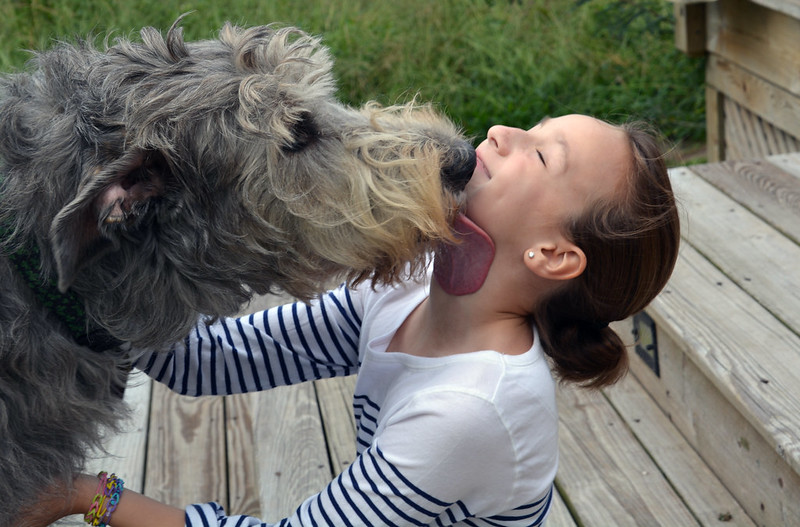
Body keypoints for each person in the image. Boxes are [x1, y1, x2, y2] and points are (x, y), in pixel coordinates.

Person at [21, 114, 680, 527]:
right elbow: (211, 359)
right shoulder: (414, 285)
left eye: (540, 154)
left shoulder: (470, 411)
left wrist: (89, 495)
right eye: (532, 127)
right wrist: (83, 280)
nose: (505, 133)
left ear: (553, 256)